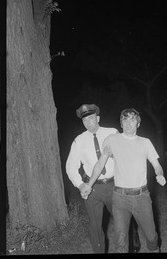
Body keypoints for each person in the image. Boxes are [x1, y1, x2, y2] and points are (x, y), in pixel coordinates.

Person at [82, 108, 166, 253]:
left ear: (138, 124)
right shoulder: (112, 140)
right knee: (121, 242)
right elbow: (100, 163)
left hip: (142, 197)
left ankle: (154, 247)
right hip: (120, 198)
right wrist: (89, 185)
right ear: (121, 124)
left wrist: (160, 174)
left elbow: (157, 165)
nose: (128, 123)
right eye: (125, 120)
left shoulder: (145, 142)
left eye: (132, 119)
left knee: (151, 238)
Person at [65, 104, 140, 253]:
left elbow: (126, 153)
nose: (88, 122)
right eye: (85, 120)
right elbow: (71, 166)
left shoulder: (112, 132)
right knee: (95, 226)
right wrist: (80, 185)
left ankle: (133, 242)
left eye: (91, 118)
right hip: (92, 188)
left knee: (124, 221)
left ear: (98, 118)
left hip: (114, 185)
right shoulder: (78, 141)